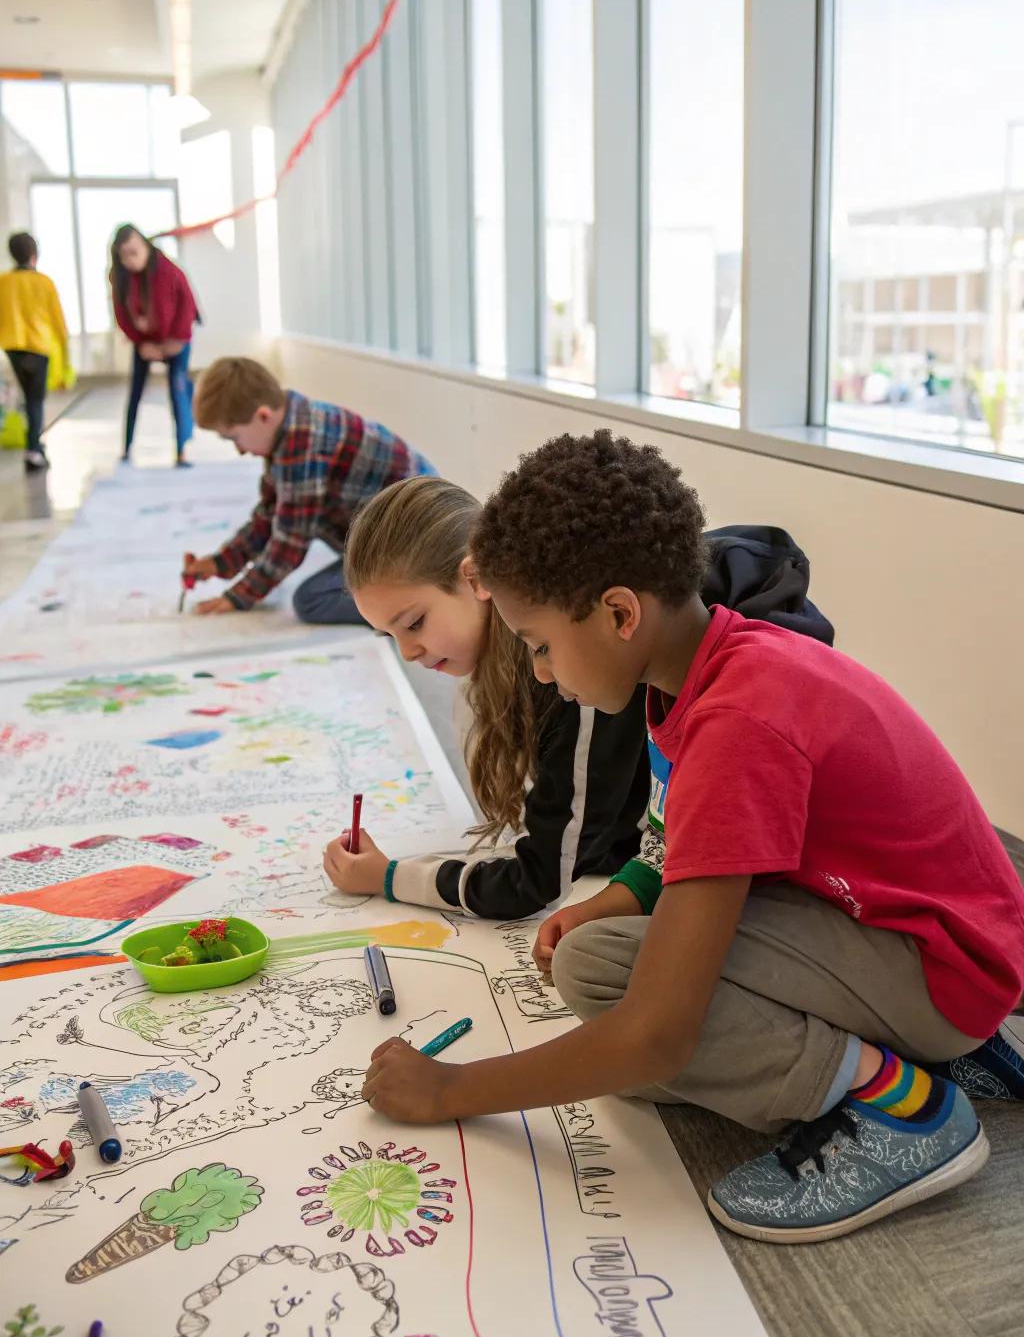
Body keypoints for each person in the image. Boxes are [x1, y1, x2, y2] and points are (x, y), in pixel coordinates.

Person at [359, 430, 1024, 1245]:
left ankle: (906, 1105)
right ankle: (919, 1049)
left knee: (627, 1018)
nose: (536, 672)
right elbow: (691, 841)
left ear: (617, 613)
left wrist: (450, 1091)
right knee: (601, 969)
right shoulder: (708, 666)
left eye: (538, 645)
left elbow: (657, 1035)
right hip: (927, 934)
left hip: (946, 968)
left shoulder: (738, 719)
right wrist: (629, 896)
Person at [322, 474, 833, 920]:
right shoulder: (533, 664)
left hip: (763, 879)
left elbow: (546, 874)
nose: (409, 651)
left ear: (474, 577)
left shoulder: (583, 668)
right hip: (674, 856)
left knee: (592, 956)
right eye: (390, 636)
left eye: (414, 623)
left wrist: (390, 878)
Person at [186, 356, 436, 620]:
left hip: (417, 540)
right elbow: (270, 515)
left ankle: (411, 596)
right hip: (394, 534)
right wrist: (221, 562)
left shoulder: (302, 444)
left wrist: (238, 596)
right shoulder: (288, 427)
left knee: (311, 600)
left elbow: (291, 540)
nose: (239, 450)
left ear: (263, 416)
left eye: (234, 437)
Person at [111, 223, 200, 467]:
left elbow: (187, 307)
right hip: (145, 343)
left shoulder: (169, 271)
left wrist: (174, 342)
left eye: (135, 251)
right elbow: (121, 315)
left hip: (176, 341)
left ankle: (181, 451)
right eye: (124, 254)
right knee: (135, 392)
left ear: (146, 247)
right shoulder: (120, 277)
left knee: (177, 389)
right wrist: (141, 343)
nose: (131, 259)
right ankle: (126, 448)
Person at [0, 231, 71, 471]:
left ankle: (35, 446)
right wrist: (66, 352)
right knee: (36, 399)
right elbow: (58, 321)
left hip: (12, 346)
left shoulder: (4, 281)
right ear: (34, 254)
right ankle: (33, 450)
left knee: (29, 397)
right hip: (38, 347)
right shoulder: (43, 282)